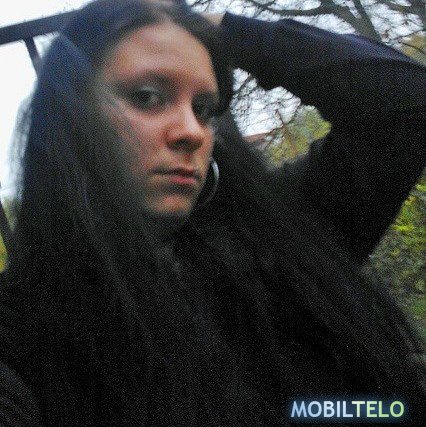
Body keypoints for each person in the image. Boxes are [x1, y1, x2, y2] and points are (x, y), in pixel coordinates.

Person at [0, 0, 425, 425]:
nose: (191, 131)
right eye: (147, 97)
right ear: (69, 119)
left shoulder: (279, 233)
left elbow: (406, 104)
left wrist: (226, 30)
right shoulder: (22, 330)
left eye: (203, 109)